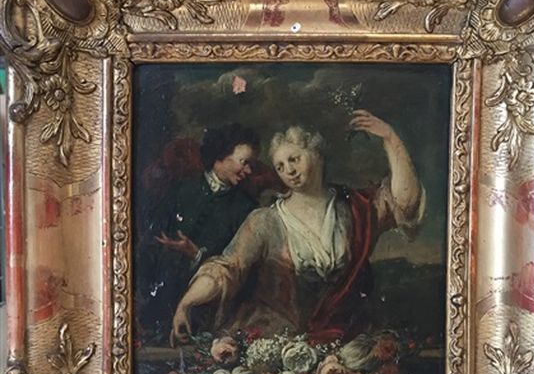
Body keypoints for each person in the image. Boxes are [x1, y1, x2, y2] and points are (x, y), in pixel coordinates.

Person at [170, 110, 424, 347]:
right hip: (276, 340)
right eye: (280, 167)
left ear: (316, 155)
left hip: (347, 337)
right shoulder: (265, 221)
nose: (289, 171)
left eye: (294, 159)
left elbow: (406, 203)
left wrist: (391, 139)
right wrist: (186, 303)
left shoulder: (354, 208)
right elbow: (227, 269)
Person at [136, 123, 260, 342]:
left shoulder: (246, 207)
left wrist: (196, 254)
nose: (249, 171)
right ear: (221, 156)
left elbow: (239, 264)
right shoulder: (182, 188)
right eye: (244, 162)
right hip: (159, 292)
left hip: (207, 304)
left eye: (251, 165)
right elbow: (152, 232)